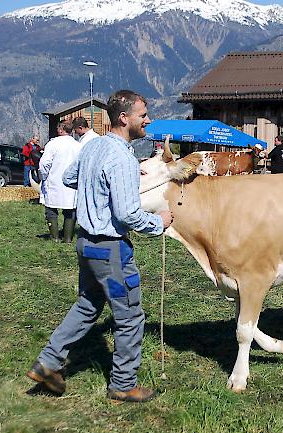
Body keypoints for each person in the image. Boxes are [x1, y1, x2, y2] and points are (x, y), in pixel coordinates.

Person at [26, 90, 173, 403]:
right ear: (124, 118)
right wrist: (159, 222)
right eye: (143, 114)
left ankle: (48, 363)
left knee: (88, 305)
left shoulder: (93, 147)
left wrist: (95, 188)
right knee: (130, 317)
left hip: (85, 244)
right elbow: (128, 214)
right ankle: (122, 384)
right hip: (111, 252)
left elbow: (68, 178)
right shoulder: (122, 157)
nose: (148, 120)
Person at [38, 121, 82, 243]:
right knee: (70, 210)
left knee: (51, 209)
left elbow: (44, 164)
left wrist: (43, 176)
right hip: (72, 184)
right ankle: (68, 238)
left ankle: (55, 237)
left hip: (54, 181)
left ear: (61, 130)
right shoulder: (78, 146)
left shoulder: (53, 144)